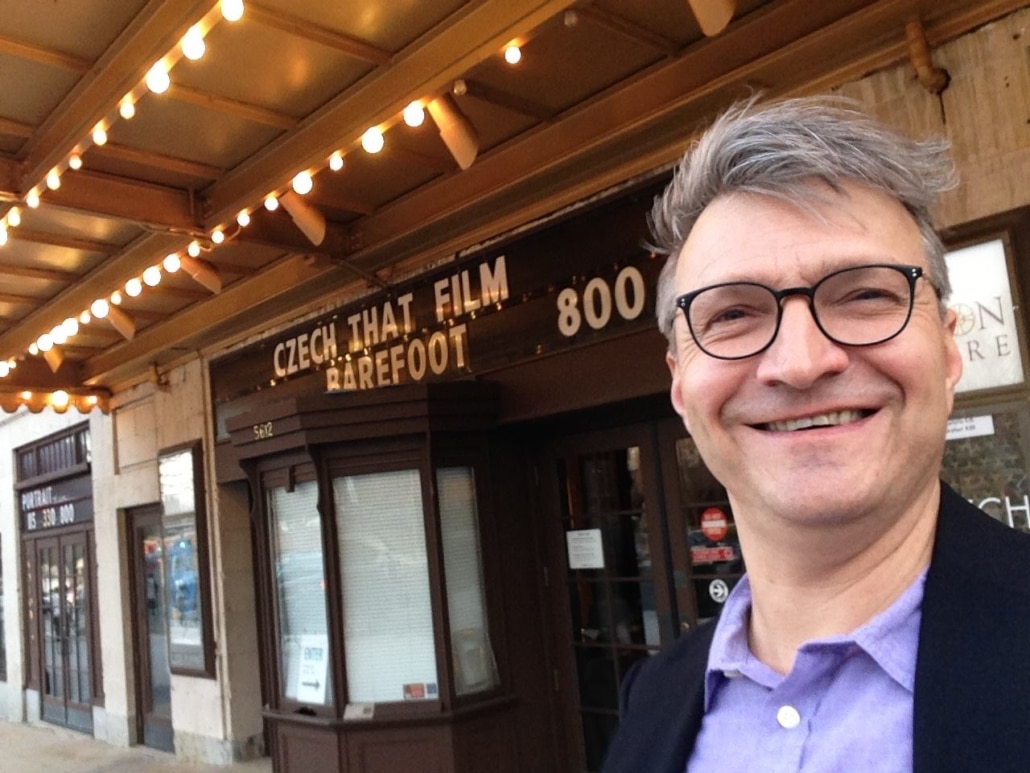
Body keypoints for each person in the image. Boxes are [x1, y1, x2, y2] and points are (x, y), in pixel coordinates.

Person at [601, 96, 1030, 772]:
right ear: (681, 385)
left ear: (949, 352)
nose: (801, 363)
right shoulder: (652, 699)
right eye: (733, 314)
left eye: (865, 295)